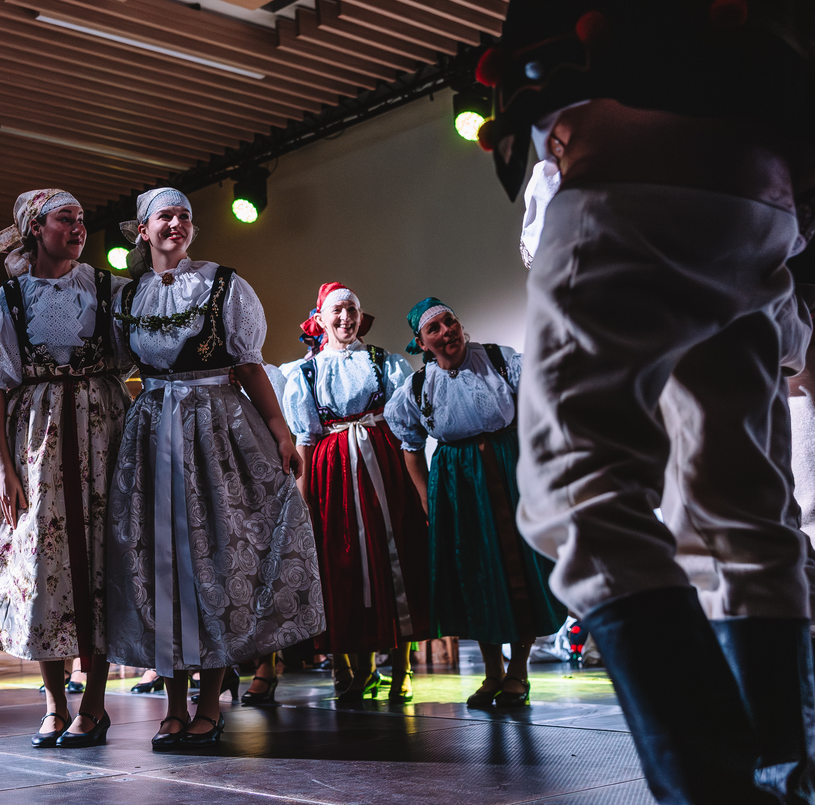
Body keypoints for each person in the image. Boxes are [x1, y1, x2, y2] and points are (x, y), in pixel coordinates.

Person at [482, 0, 815, 801]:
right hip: (759, 195)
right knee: (743, 507)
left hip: (624, 163)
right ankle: (786, 776)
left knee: (573, 487)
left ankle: (720, 790)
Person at [106, 187, 325, 750]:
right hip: (153, 429)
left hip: (215, 429)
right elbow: (118, 367)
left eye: (184, 216)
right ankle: (173, 705)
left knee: (216, 560)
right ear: (142, 229)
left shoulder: (222, 284)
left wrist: (279, 430)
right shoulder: (129, 296)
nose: (176, 223)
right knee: (162, 563)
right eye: (165, 216)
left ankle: (209, 705)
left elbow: (249, 366)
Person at [0, 188, 129, 748]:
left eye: (82, 219)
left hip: (102, 429)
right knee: (42, 565)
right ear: (36, 228)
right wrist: (5, 468)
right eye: (66, 218)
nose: (78, 227)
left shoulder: (107, 289)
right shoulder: (7, 300)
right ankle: (54, 703)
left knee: (103, 560)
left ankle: (95, 703)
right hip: (36, 439)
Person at [385, 299, 566, 708]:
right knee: (476, 573)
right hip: (456, 483)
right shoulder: (417, 387)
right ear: (421, 343)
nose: (446, 331)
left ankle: (519, 670)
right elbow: (410, 448)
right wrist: (427, 497)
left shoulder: (500, 361)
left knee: (517, 567)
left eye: (449, 321)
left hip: (508, 468)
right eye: (434, 329)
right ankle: (492, 673)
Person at [283, 283, 428, 707]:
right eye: (337, 311)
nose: (345, 317)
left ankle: (402, 668)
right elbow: (305, 439)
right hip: (333, 473)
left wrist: (417, 487)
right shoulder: (306, 373)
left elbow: (405, 427)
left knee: (394, 557)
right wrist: (303, 498)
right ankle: (362, 668)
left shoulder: (385, 362)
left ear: (360, 317)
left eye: (352, 310)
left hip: (383, 464)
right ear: (321, 319)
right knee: (344, 564)